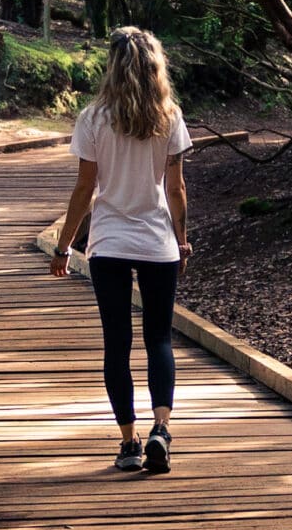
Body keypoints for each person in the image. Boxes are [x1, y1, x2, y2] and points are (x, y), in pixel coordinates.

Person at [50, 26, 193, 475]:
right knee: (159, 339)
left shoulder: (93, 118)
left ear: (112, 65)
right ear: (156, 67)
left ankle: (129, 442)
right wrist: (182, 240)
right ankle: (161, 429)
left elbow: (85, 187)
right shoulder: (169, 116)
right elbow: (176, 187)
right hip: (156, 242)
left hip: (109, 242)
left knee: (117, 342)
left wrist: (64, 246)